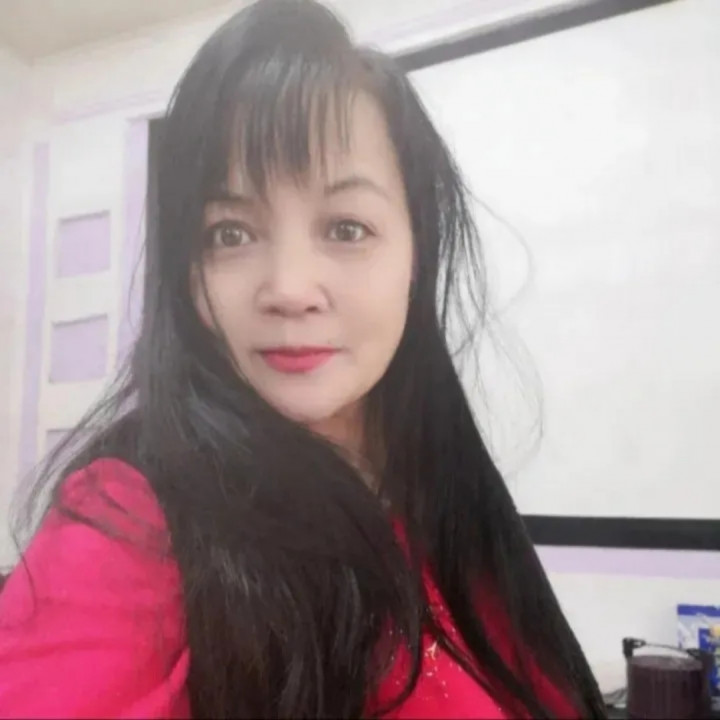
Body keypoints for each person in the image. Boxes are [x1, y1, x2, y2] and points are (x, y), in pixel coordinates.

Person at [0, 1, 605, 717]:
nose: (288, 289)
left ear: (418, 252)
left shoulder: (449, 504)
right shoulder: (133, 517)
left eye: (346, 227)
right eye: (230, 233)